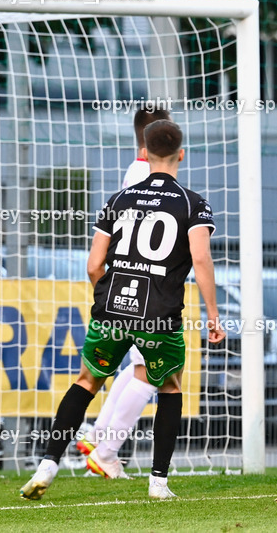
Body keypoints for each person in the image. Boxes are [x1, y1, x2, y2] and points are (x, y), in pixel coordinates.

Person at [20, 120, 225, 501]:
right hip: (159, 314)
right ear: (182, 154)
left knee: (86, 381)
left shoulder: (118, 199)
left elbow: (94, 264)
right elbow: (201, 258)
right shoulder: (192, 203)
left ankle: (48, 465)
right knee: (168, 385)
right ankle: (158, 482)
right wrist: (213, 315)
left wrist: (106, 297)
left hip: (113, 309)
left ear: (143, 153)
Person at [78, 106, 172, 478]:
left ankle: (99, 438)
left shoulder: (136, 172)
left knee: (138, 367)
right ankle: (107, 449)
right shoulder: (147, 175)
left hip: (130, 283)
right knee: (152, 371)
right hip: (143, 285)